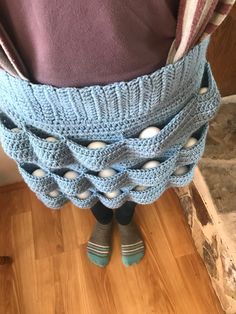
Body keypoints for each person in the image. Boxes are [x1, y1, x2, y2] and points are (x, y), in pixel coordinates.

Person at [0, 1, 234, 267]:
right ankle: (102, 220)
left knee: (140, 173)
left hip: (156, 80)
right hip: (40, 90)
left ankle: (124, 219)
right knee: (82, 177)